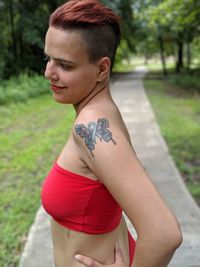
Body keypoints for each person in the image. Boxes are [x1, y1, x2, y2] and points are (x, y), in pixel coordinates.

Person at [41, 0, 182, 267]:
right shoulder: (104, 112)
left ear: (102, 69)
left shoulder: (92, 124)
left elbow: (164, 233)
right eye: (48, 58)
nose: (49, 72)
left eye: (65, 65)